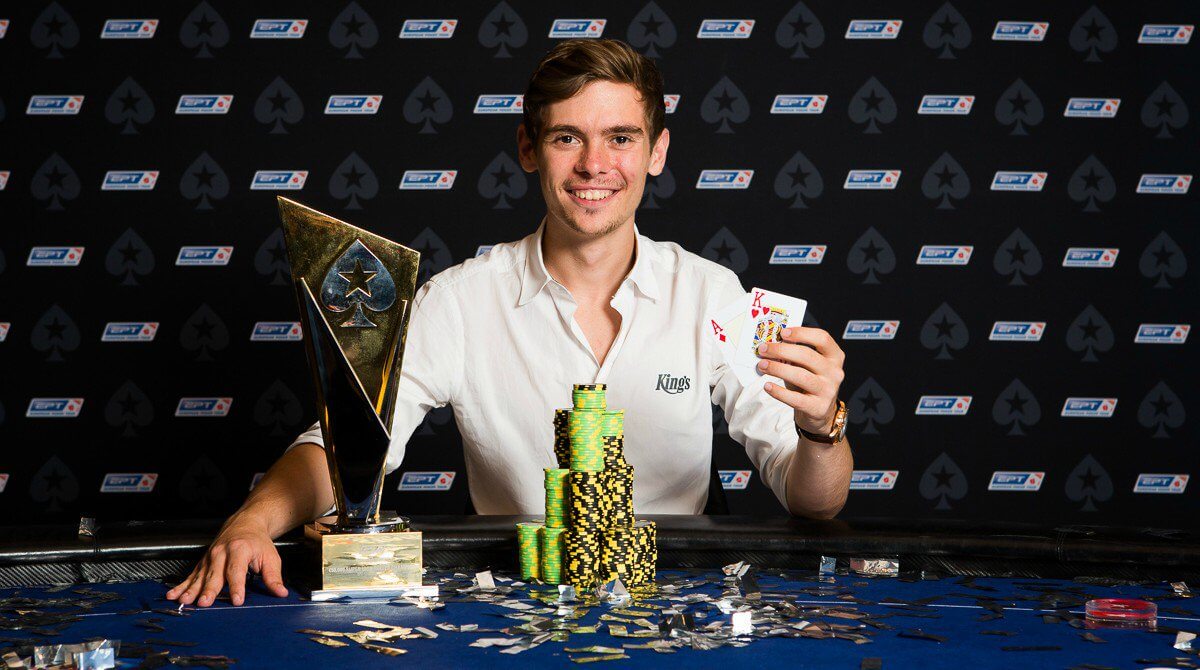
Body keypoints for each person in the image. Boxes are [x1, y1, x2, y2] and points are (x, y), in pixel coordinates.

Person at [167, 39, 852, 608]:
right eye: (566, 137)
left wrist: (821, 427)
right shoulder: (460, 301)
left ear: (657, 151)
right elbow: (346, 448)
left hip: (677, 604)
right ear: (528, 148)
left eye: (620, 138)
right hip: (519, 609)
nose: (594, 165)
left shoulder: (710, 294)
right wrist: (250, 522)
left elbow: (813, 500)